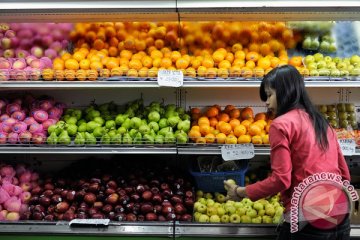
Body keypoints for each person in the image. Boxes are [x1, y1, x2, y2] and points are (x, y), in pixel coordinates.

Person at [224, 65, 351, 239]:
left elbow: (281, 180)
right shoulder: (321, 121)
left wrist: (241, 192)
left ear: (285, 92)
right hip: (340, 214)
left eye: (269, 95)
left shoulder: (281, 124)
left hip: (308, 218)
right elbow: (345, 175)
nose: (267, 102)